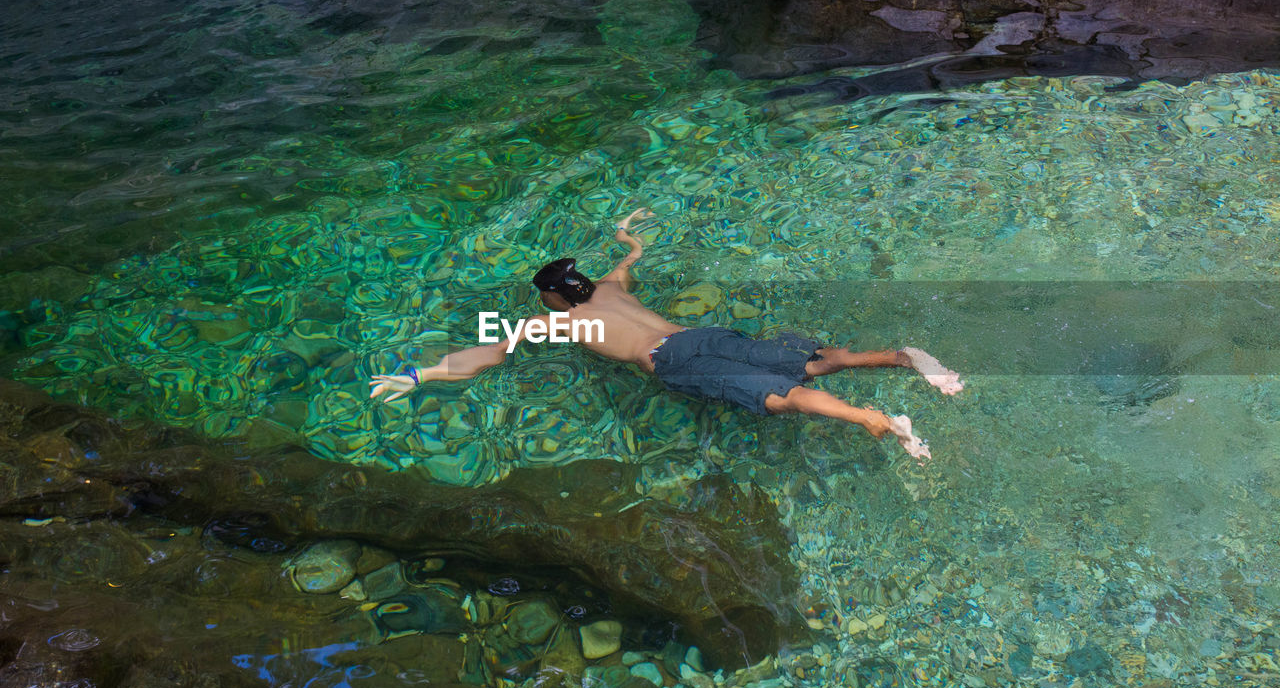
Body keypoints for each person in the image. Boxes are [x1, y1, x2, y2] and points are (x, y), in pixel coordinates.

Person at [370, 209, 963, 458]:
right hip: (697, 333)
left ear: (551, 297)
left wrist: (421, 373)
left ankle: (870, 419)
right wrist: (627, 232)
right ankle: (897, 356)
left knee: (775, 395)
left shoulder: (549, 321)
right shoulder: (610, 287)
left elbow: (489, 354)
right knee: (803, 362)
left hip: (671, 360)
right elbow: (634, 253)